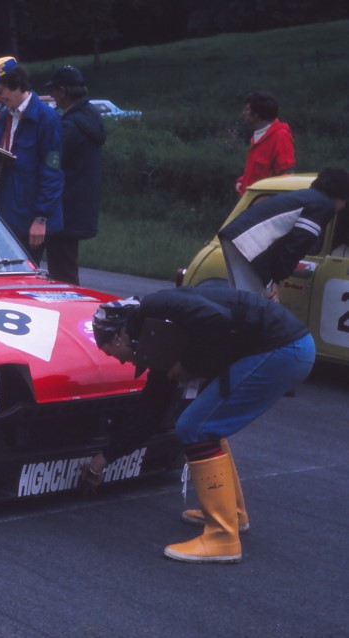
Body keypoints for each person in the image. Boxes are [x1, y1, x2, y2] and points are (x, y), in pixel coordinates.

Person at [86, 287, 314, 563]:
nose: (121, 360)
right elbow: (150, 415)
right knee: (205, 424)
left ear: (120, 335)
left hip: (283, 348)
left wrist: (188, 364)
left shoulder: (156, 307)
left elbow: (218, 319)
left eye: (112, 352)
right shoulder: (159, 340)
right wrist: (104, 458)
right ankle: (233, 515)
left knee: (195, 427)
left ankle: (222, 537)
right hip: (287, 348)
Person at [0, 56, 63, 264]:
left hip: (29, 218)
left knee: (22, 276)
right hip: (2, 217)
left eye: (0, 92)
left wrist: (41, 218)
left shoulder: (46, 119)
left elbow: (52, 172)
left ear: (16, 83)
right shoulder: (2, 120)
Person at [219, 167, 349, 299]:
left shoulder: (308, 197)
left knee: (244, 301)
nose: (344, 206)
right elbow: (298, 244)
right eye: (345, 200)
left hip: (238, 237)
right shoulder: (323, 205)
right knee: (256, 304)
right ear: (339, 194)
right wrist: (276, 279)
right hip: (248, 243)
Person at [42, 65, 106, 284]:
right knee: (66, 266)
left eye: (53, 91)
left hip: (66, 209)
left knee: (62, 273)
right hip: (80, 207)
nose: (52, 96)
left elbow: (51, 159)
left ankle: (69, 303)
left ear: (62, 91)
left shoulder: (71, 126)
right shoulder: (90, 116)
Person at [236, 91, 295, 197]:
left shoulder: (280, 136)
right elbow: (256, 171)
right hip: (250, 200)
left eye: (247, 109)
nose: (244, 113)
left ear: (257, 114)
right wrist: (242, 181)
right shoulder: (258, 135)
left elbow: (286, 178)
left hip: (265, 204)